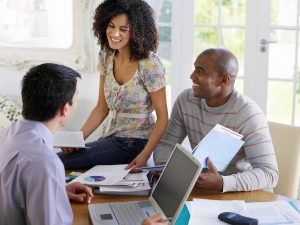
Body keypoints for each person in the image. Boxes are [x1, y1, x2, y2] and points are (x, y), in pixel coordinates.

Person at [57, 0, 168, 170]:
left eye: (123, 29)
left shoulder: (150, 64)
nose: (115, 34)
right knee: (60, 160)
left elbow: (162, 118)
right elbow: (102, 107)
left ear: (137, 32)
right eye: (111, 26)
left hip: (136, 143)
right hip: (110, 138)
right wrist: (77, 140)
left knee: (57, 161)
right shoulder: (106, 56)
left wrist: (145, 155)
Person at [153, 48, 279, 192]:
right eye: (194, 69)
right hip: (202, 190)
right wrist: (166, 167)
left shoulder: (248, 114)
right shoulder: (186, 101)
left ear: (224, 80)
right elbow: (166, 145)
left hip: (241, 195)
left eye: (200, 71)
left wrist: (222, 183)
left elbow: (270, 174)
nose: (192, 76)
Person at [0, 63, 93, 225]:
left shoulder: (8, 135)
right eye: (75, 98)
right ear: (64, 109)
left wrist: (55, 192)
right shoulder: (45, 162)